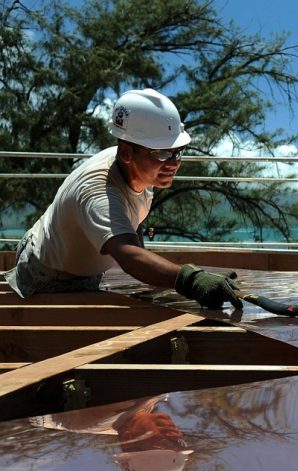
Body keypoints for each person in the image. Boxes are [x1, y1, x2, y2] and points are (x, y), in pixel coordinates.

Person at [3, 88, 241, 310]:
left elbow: (132, 222)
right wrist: (192, 280)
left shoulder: (140, 168)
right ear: (127, 152)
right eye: (161, 152)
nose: (173, 162)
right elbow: (128, 255)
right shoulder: (97, 191)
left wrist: (150, 268)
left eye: (178, 152)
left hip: (81, 270)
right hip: (46, 276)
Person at [30, 395, 193, 471]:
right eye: (179, 442)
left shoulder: (103, 412)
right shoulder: (134, 418)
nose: (175, 433)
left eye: (166, 442)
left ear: (130, 440)